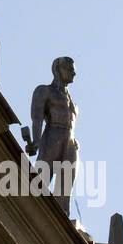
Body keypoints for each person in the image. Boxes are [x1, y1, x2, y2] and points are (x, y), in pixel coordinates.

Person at [27, 57, 80, 214]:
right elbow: (37, 118)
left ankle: (62, 217)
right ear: (58, 69)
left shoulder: (73, 103)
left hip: (70, 142)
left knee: (65, 188)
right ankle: (33, 213)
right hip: (52, 136)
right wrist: (36, 141)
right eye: (69, 69)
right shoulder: (45, 91)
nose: (74, 73)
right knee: (42, 179)